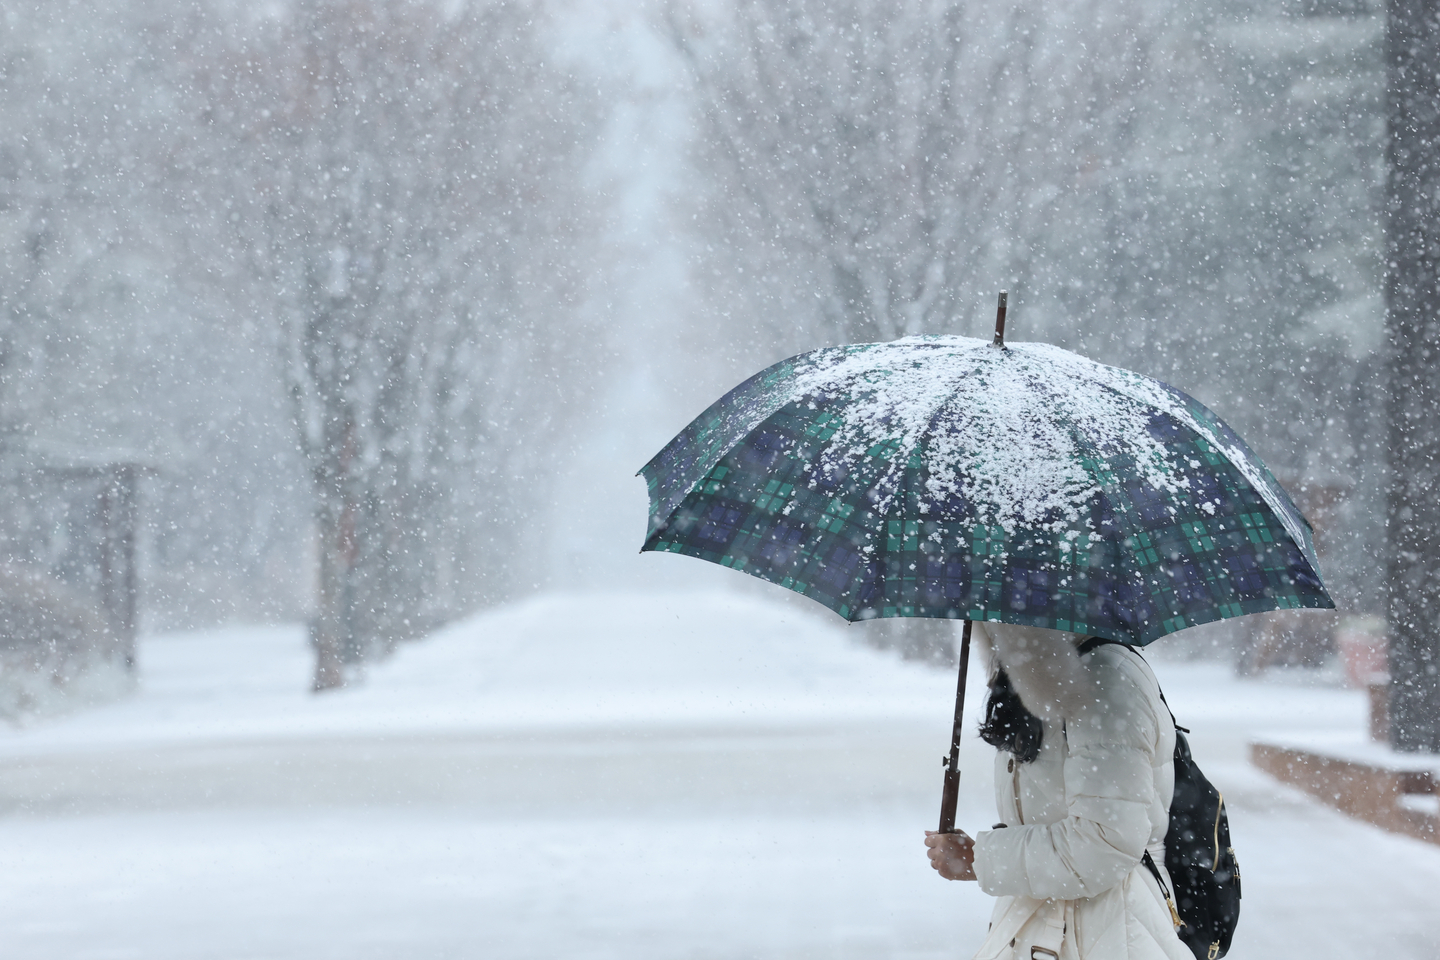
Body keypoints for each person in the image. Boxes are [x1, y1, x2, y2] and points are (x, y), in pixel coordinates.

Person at [923, 623, 1191, 960]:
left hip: (1107, 930)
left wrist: (980, 859)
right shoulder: (1040, 676)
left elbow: (1105, 842)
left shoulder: (1105, 680)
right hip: (1050, 921)